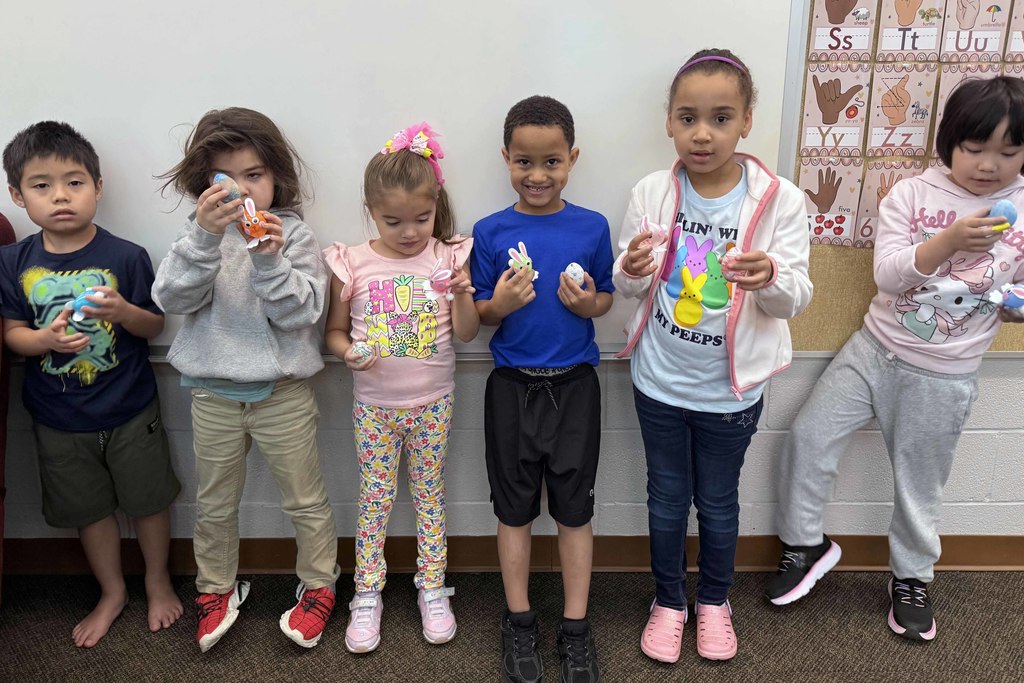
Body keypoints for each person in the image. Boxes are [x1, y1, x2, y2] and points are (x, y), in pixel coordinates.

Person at [767, 76, 1024, 642]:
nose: (989, 165)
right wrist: (950, 240)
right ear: (950, 141)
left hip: (946, 375)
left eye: (1008, 152)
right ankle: (806, 542)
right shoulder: (912, 194)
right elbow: (888, 273)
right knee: (808, 437)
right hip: (874, 348)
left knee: (918, 485)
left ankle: (911, 578)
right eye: (975, 148)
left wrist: (1012, 305)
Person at [615, 49, 812, 663]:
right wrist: (632, 268)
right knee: (667, 498)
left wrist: (770, 276)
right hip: (660, 383)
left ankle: (715, 602)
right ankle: (669, 601)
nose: (703, 133)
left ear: (747, 121)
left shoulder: (780, 200)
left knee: (719, 501)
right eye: (688, 117)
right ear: (669, 122)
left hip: (731, 391)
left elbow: (794, 299)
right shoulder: (652, 190)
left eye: (721, 117)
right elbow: (625, 278)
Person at [152, 107, 339, 651]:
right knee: (213, 503)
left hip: (282, 392)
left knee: (305, 499)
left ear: (276, 174)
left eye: (254, 174)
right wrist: (206, 241)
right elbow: (171, 299)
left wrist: (269, 260)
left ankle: (319, 585)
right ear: (202, 186)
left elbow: (301, 314)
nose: (242, 190)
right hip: (212, 393)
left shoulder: (294, 234)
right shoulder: (196, 235)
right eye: (224, 180)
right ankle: (215, 588)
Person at [0, 121, 182, 646]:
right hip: (57, 417)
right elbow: (12, 333)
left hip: (130, 408)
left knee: (148, 501)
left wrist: (124, 310)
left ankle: (157, 579)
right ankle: (111, 591)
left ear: (97, 187)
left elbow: (155, 326)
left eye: (75, 182)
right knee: (90, 511)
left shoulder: (126, 256)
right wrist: (44, 342)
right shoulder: (13, 262)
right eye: (41, 185)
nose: (60, 195)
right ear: (17, 195)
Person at [471, 95, 615, 683]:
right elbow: (478, 312)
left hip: (576, 386)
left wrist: (591, 305)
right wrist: (496, 306)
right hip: (510, 388)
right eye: (524, 162)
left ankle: (576, 629)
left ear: (572, 158)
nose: (537, 175)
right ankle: (520, 621)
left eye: (551, 162)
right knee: (514, 511)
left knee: (575, 512)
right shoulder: (489, 230)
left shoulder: (592, 226)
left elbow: (605, 295)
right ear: (506, 157)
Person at [323, 122, 479, 654]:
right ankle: (367, 593)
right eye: (393, 221)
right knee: (375, 498)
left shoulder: (448, 257)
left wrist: (462, 292)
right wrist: (348, 353)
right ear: (370, 211)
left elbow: (466, 332)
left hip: (434, 402)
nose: (410, 231)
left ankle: (432, 587)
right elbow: (334, 333)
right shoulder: (353, 262)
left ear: (436, 205)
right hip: (374, 406)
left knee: (429, 496)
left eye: (422, 217)